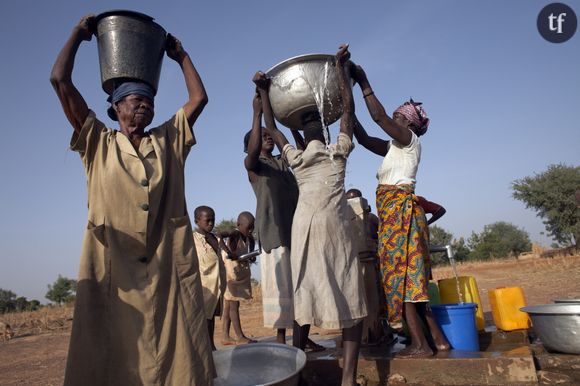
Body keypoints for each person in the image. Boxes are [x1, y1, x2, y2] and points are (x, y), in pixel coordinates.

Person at [50, 15, 214, 385]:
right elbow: (60, 80)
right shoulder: (98, 141)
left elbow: (199, 98)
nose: (143, 107)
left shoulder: (168, 140)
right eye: (135, 101)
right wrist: (77, 35)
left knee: (177, 361)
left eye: (149, 102)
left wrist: (181, 56)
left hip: (166, 266)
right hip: (113, 269)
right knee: (112, 358)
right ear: (117, 108)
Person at [254, 44, 367, 386]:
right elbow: (346, 110)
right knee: (351, 299)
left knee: (304, 298)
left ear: (302, 136)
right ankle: (347, 378)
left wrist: (261, 92)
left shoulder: (298, 159)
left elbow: (272, 128)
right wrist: (342, 71)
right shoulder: (337, 153)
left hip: (304, 229)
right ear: (323, 131)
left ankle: (298, 374)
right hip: (332, 227)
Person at [349, 62, 450, 358]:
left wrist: (364, 82)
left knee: (402, 281)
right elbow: (365, 138)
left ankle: (420, 345)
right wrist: (347, 108)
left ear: (406, 124)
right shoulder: (395, 147)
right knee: (411, 283)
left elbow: (377, 117)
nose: (389, 121)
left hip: (401, 215)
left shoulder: (409, 142)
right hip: (398, 215)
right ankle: (438, 341)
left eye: (395, 119)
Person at [243, 93, 298, 344]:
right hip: (274, 235)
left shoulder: (283, 163)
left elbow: (302, 150)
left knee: (299, 288)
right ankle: (280, 340)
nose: (268, 138)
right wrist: (256, 115)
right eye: (262, 136)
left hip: (295, 232)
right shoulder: (256, 166)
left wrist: (292, 121)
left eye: (269, 136)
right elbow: (253, 151)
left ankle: (302, 337)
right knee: (282, 291)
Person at [345, 189, 383, 345]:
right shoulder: (343, 219)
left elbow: (380, 237)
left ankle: (373, 333)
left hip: (369, 262)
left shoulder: (371, 219)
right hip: (351, 264)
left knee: (372, 301)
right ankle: (361, 336)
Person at [219, 212, 257, 345]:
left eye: (252, 227)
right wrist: (229, 252)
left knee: (229, 305)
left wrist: (251, 256)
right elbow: (220, 236)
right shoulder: (234, 234)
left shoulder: (249, 238)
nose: (251, 230)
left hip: (239, 274)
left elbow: (249, 253)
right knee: (234, 304)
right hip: (231, 275)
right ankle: (239, 336)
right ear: (238, 225)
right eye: (248, 227)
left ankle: (225, 336)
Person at [193, 206, 227, 351]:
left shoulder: (214, 238)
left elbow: (225, 253)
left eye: (213, 220)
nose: (211, 223)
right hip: (202, 285)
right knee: (202, 318)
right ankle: (204, 347)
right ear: (197, 221)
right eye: (207, 220)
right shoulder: (191, 239)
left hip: (215, 285)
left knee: (211, 317)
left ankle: (210, 345)